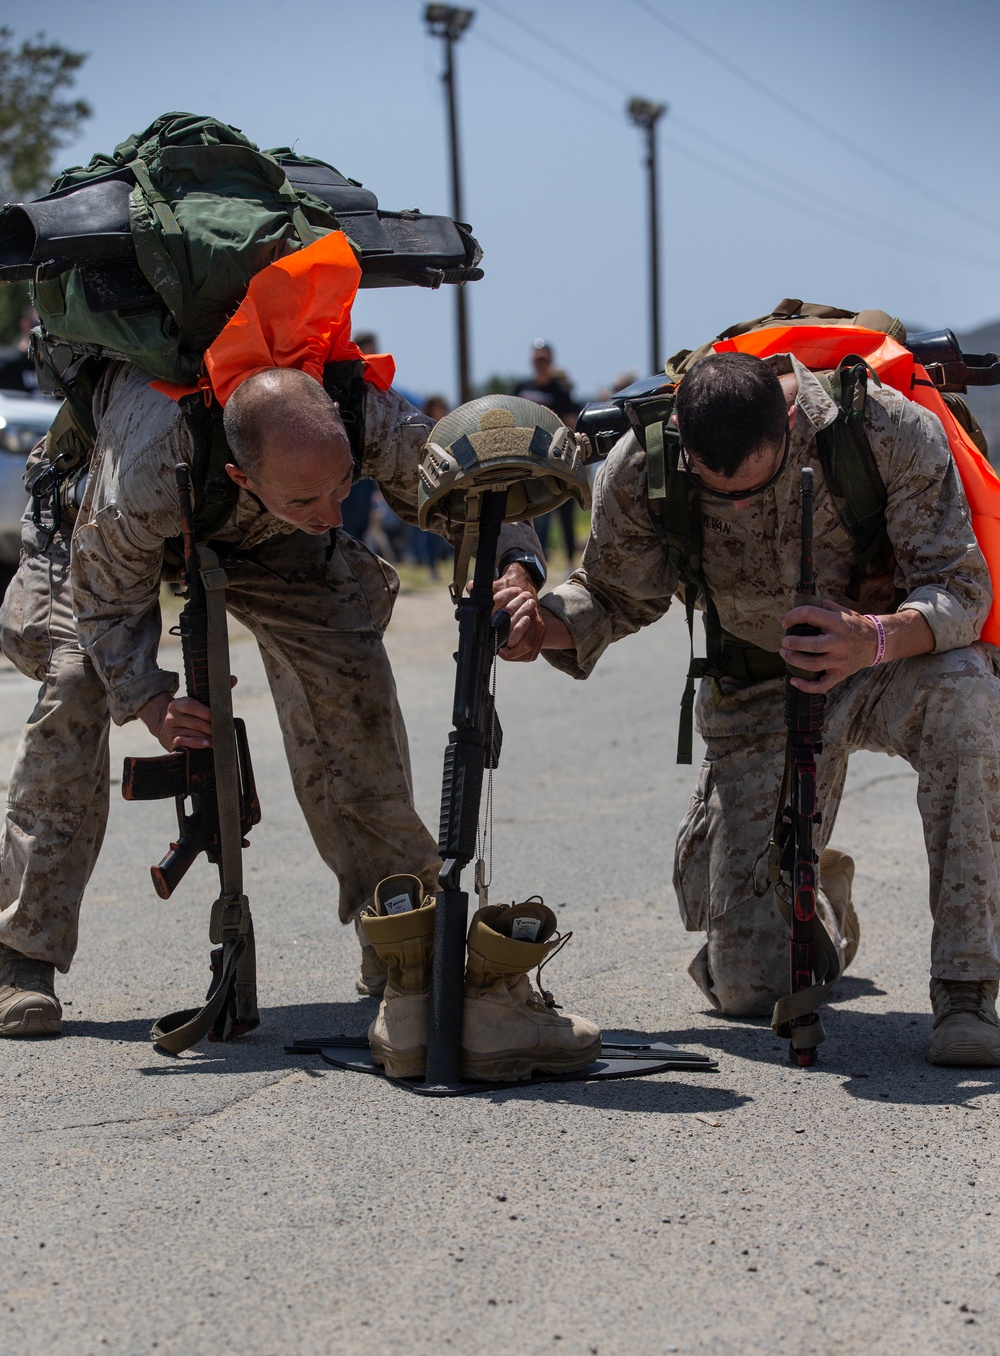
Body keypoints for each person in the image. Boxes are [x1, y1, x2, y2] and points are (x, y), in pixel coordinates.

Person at [0, 363, 543, 1037]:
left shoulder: (355, 409)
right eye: (313, 499)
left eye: (344, 486)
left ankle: (401, 929)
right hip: (91, 535)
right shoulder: (145, 466)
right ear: (241, 475)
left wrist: (515, 568)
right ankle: (20, 953)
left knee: (350, 676)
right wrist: (150, 701)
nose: (336, 514)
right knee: (78, 682)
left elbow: (469, 488)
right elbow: (104, 601)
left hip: (263, 532)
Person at [496, 349, 1000, 1067]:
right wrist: (537, 628)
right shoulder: (647, 468)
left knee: (968, 694)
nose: (734, 502)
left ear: (789, 424)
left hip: (886, 659)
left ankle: (967, 988)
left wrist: (874, 636)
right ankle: (817, 888)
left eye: (752, 484)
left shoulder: (883, 430)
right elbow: (613, 595)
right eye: (716, 488)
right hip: (759, 692)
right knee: (749, 991)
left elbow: (961, 588)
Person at [515, 340, 580, 565]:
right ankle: (535, 560)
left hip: (555, 461)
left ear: (550, 361)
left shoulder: (559, 391)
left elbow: (571, 425)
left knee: (565, 513)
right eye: (536, 359)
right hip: (527, 460)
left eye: (543, 359)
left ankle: (570, 562)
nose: (540, 364)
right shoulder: (522, 388)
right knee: (532, 514)